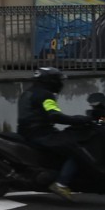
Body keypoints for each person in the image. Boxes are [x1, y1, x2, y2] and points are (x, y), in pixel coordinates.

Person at [17, 66, 93, 199]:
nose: (60, 83)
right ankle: (61, 183)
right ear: (51, 81)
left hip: (26, 132)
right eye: (58, 80)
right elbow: (54, 115)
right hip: (42, 134)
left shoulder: (28, 92)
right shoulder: (45, 95)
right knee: (77, 150)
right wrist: (78, 120)